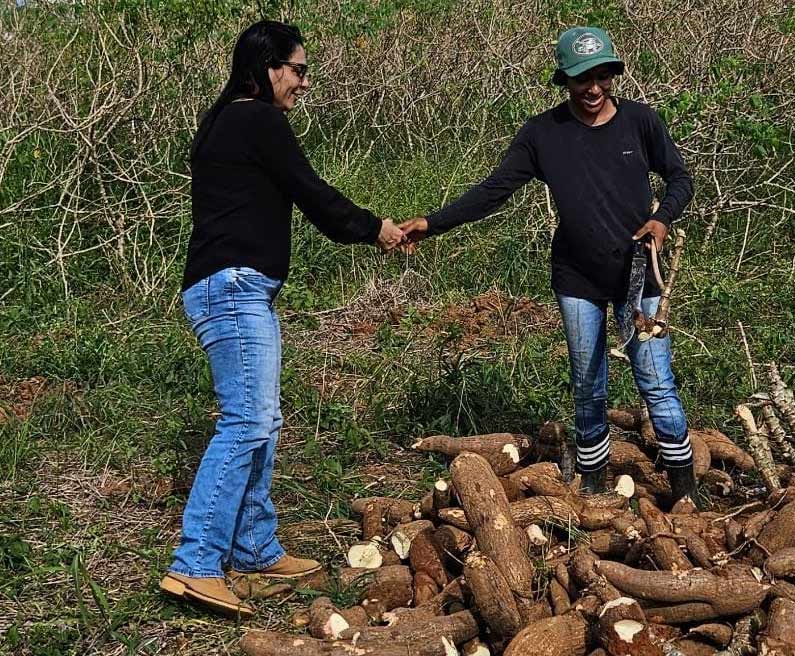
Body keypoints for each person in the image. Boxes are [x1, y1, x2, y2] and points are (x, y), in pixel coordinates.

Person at [160, 20, 403, 618]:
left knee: (261, 420)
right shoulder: (257, 119)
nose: (302, 81)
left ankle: (253, 550)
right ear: (267, 68)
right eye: (297, 69)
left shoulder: (226, 121)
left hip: (233, 288)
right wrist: (376, 229)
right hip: (234, 288)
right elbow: (311, 191)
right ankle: (195, 563)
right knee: (245, 421)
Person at [398, 26, 696, 501]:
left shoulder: (641, 123)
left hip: (639, 277)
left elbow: (680, 178)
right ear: (564, 79)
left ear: (613, 74)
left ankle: (685, 490)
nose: (593, 89)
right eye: (582, 79)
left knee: (656, 381)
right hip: (577, 278)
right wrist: (432, 224)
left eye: (602, 76)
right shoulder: (543, 134)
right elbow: (494, 191)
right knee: (587, 382)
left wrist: (661, 219)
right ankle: (593, 488)